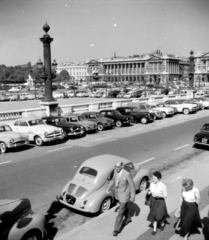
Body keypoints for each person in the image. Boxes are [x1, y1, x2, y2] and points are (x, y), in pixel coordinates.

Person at [106, 161, 135, 237]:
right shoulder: (115, 171)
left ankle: (116, 229)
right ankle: (128, 218)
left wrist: (132, 197)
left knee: (120, 212)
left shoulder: (126, 174)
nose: (116, 168)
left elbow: (132, 186)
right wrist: (109, 187)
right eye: (115, 166)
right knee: (123, 208)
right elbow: (113, 180)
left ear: (122, 166)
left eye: (118, 167)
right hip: (118, 194)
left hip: (125, 195)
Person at [147, 171, 169, 235]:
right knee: (154, 215)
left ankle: (162, 223)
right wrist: (149, 192)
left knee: (158, 216)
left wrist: (158, 195)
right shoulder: (151, 184)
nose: (152, 179)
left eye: (154, 178)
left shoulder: (163, 186)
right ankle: (154, 229)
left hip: (160, 202)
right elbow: (150, 191)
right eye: (152, 178)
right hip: (153, 201)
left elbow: (165, 195)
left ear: (159, 178)